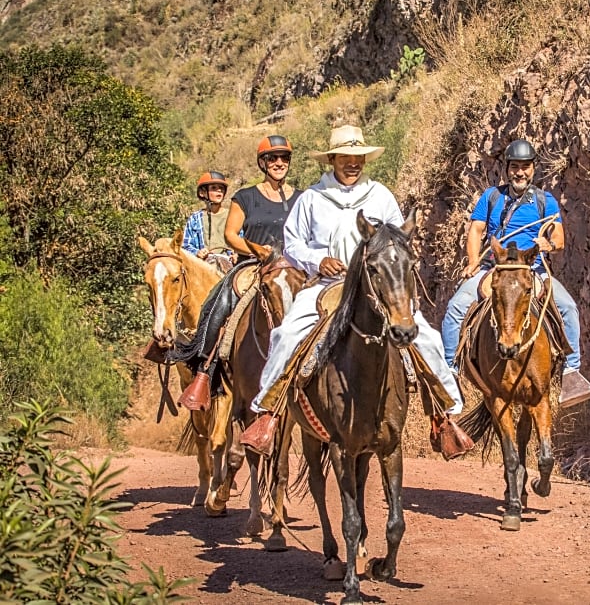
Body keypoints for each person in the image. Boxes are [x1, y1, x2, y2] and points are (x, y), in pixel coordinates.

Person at [240, 124, 470, 457]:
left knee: (427, 338)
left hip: (376, 287)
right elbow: (292, 244)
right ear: (332, 159)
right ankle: (268, 413)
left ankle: (443, 416)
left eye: (358, 157)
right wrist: (319, 260)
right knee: (288, 334)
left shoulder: (380, 195)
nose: (353, 163)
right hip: (328, 284)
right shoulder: (312, 198)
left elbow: (398, 240)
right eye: (346, 157)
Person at [441, 138, 590, 407]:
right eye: (515, 167)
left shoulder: (544, 201)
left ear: (533, 169)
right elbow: (476, 230)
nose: (520, 172)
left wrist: (549, 244)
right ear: (507, 168)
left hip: (530, 269)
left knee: (568, 307)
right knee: (455, 307)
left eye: (525, 167)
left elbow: (558, 234)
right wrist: (472, 261)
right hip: (495, 267)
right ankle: (449, 375)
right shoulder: (491, 197)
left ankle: (572, 373)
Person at [173, 135, 302, 411]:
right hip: (253, 266)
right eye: (272, 158)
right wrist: (257, 250)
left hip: (291, 269)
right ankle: (204, 372)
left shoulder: (303, 198)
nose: (279, 163)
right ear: (262, 163)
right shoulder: (246, 197)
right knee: (218, 302)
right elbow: (231, 235)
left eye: (284, 158)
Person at [182, 171, 235, 273]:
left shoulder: (233, 216)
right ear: (203, 193)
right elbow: (186, 246)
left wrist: (237, 254)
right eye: (214, 188)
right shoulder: (195, 218)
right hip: (203, 266)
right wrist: (197, 252)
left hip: (230, 265)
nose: (219, 190)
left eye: (222, 188)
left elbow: (242, 239)